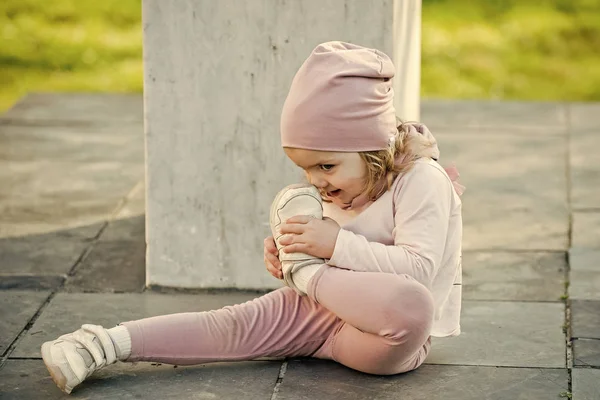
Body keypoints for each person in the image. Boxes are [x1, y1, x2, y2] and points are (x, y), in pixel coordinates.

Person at [41, 41, 464, 395]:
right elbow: (332, 244)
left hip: (380, 336)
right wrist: (292, 251)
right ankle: (100, 344)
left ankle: (306, 279)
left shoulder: (422, 180)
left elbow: (419, 271)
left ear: (373, 148)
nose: (315, 181)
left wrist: (330, 248)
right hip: (320, 308)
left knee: (413, 307)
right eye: (305, 168)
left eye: (326, 167)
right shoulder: (337, 183)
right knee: (226, 325)